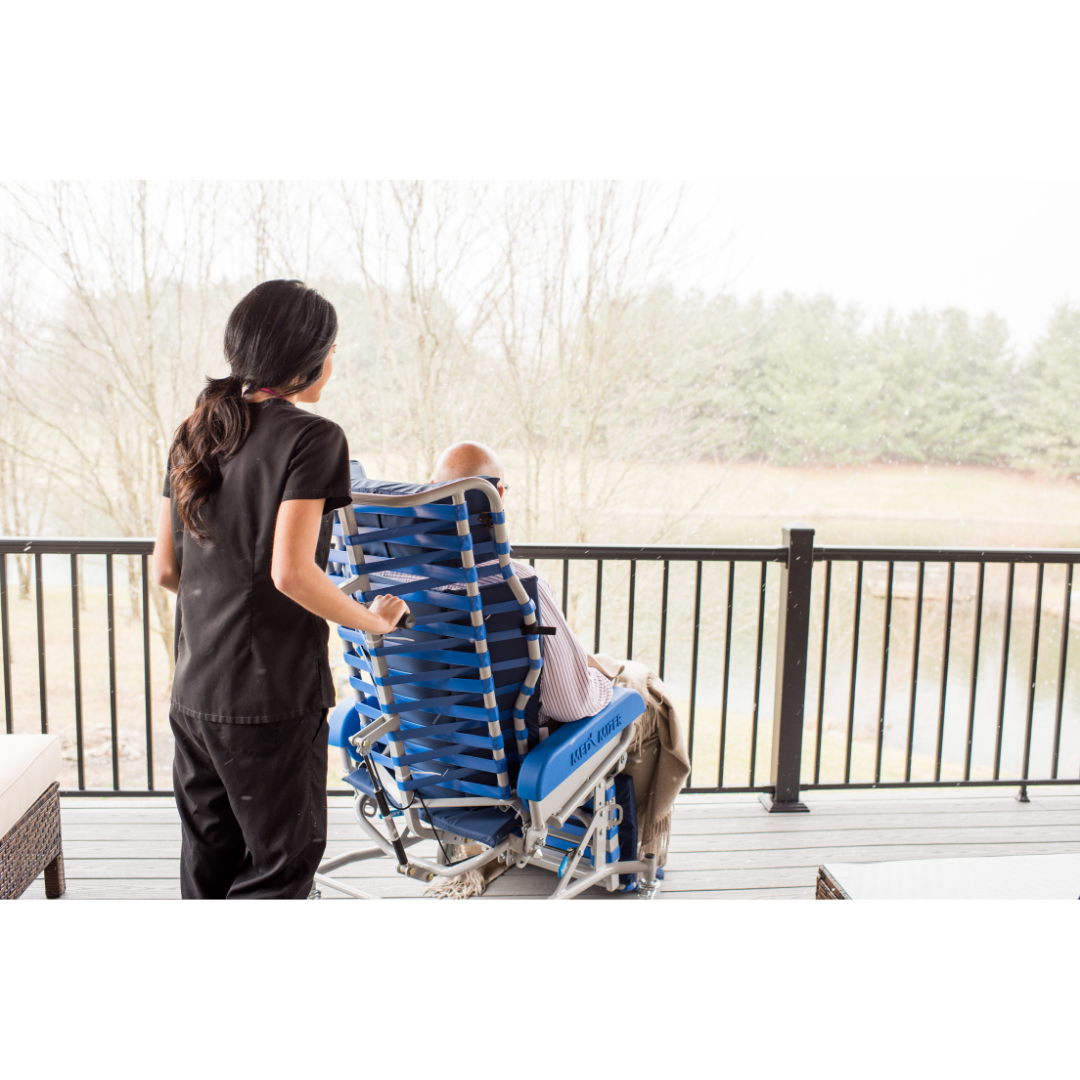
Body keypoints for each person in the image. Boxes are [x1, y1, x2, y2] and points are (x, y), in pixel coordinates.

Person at [152, 279, 408, 900]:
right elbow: (291, 573)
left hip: (194, 690)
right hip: (269, 699)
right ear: (305, 356)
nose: (333, 362)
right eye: (332, 350)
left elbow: (165, 570)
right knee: (281, 868)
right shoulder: (315, 438)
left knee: (207, 868)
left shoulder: (195, 430)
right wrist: (373, 621)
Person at [428, 441, 615, 734]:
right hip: (506, 753)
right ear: (498, 495)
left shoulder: (386, 582)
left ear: (431, 489)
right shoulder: (517, 584)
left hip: (415, 749)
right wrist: (608, 682)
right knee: (642, 693)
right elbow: (571, 705)